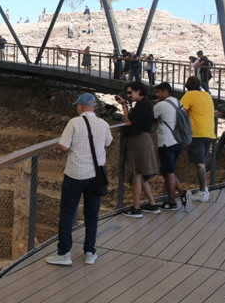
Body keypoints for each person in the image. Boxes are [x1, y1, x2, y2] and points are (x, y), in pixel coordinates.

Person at [46, 93, 112, 266]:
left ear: (81, 107)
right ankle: (90, 252)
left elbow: (63, 146)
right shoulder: (103, 124)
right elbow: (108, 142)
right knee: (92, 214)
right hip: (95, 176)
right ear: (93, 108)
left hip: (75, 174)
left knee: (67, 213)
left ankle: (64, 253)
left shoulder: (74, 122)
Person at [117, 81, 159, 217]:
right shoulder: (145, 103)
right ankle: (152, 204)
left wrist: (123, 105)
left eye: (130, 92)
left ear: (139, 91)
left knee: (136, 175)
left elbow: (129, 121)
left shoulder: (142, 105)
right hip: (143, 140)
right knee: (141, 176)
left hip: (138, 141)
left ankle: (136, 208)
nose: (129, 95)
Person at [181, 76, 216, 202]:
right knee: (202, 162)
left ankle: (202, 192)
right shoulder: (207, 95)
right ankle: (204, 189)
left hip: (197, 133)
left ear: (188, 87)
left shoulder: (190, 95)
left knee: (200, 164)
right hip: (209, 133)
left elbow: (180, 111)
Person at [153, 83, 187, 209]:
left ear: (165, 92)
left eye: (159, 92)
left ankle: (172, 202)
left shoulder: (161, 105)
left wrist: (154, 104)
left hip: (166, 142)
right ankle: (183, 192)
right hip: (178, 141)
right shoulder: (178, 102)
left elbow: (152, 117)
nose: (157, 95)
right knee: (166, 170)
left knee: (170, 172)